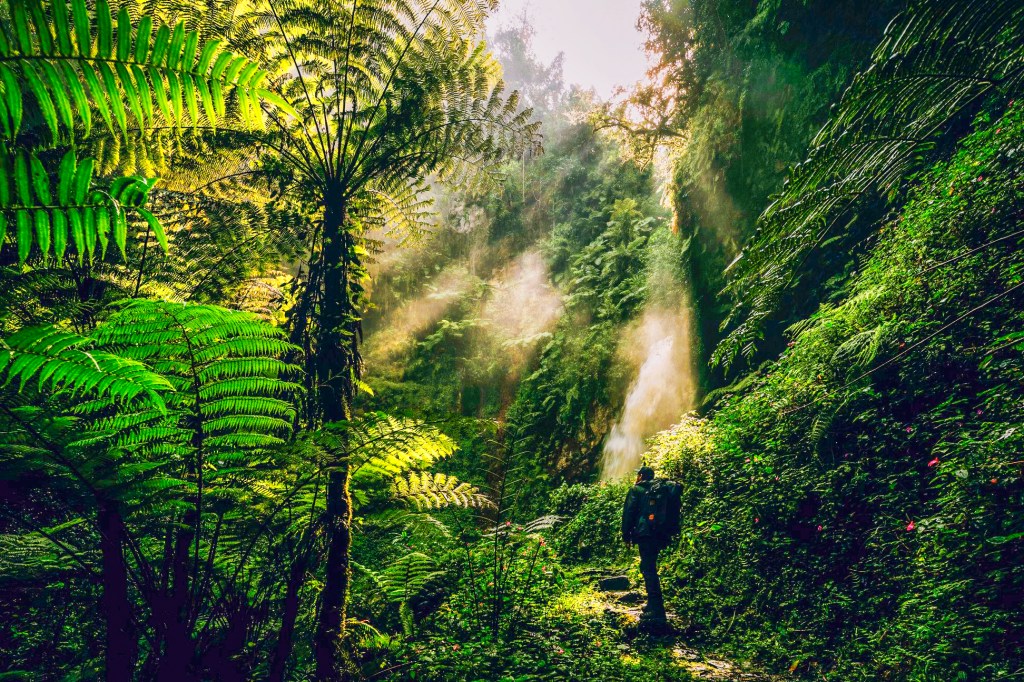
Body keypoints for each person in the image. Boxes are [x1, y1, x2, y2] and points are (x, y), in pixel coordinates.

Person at [621, 465, 680, 626]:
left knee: (648, 568)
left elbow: (629, 513)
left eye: (638, 475)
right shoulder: (660, 490)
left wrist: (626, 534)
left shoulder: (637, 490)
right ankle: (653, 604)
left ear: (640, 476)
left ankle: (656, 608)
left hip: (645, 534)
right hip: (660, 534)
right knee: (649, 567)